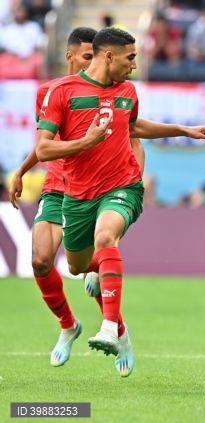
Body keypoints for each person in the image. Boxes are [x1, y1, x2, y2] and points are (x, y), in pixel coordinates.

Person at [34, 27, 205, 377]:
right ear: (109, 56)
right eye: (130, 58)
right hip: (77, 194)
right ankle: (107, 310)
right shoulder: (61, 92)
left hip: (122, 186)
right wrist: (85, 142)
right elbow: (43, 148)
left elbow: (133, 127)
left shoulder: (127, 91)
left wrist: (183, 130)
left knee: (106, 236)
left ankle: (110, 328)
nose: (134, 65)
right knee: (76, 266)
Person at [6, 27, 147, 370]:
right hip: (57, 183)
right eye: (86, 56)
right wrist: (22, 169)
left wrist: (129, 180)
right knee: (40, 260)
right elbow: (47, 141)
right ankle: (68, 325)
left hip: (91, 185)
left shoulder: (115, 90)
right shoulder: (51, 91)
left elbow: (132, 134)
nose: (91, 62)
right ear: (70, 56)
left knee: (95, 254)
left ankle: (116, 328)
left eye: (93, 56)